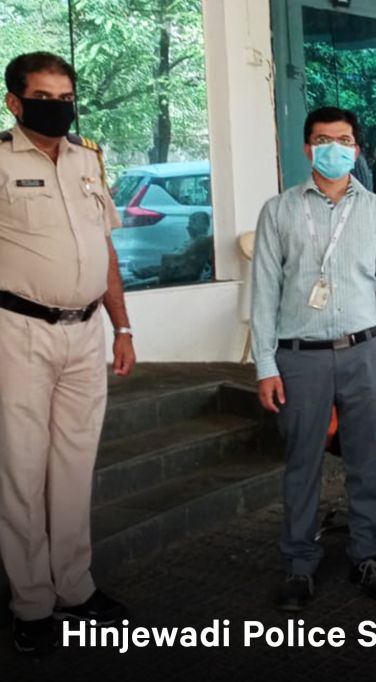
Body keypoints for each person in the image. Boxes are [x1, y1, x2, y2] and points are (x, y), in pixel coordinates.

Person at [0, 51, 136, 655]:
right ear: (14, 102)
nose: (57, 107)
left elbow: (104, 252)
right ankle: (30, 600)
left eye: (65, 97)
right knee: (22, 469)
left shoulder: (87, 160)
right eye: (44, 97)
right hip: (18, 332)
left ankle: (74, 588)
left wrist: (123, 328)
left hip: (86, 335)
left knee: (75, 465)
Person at [251, 106, 376, 611]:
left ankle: (368, 555)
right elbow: (262, 294)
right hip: (300, 358)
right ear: (307, 148)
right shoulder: (278, 211)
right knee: (302, 463)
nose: (334, 148)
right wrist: (265, 365)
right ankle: (299, 564)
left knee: (364, 461)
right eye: (323, 139)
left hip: (366, 351)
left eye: (344, 139)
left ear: (356, 148)